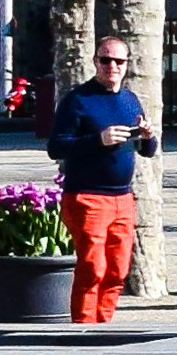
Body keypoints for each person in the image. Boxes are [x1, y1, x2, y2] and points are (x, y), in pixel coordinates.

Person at [49, 35, 151, 324]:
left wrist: (147, 136)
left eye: (119, 61)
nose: (112, 66)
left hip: (123, 198)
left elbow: (147, 150)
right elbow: (56, 147)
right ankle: (83, 329)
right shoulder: (77, 99)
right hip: (87, 195)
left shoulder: (131, 100)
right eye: (105, 60)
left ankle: (103, 325)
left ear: (127, 64)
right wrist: (98, 140)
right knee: (92, 266)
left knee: (118, 270)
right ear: (95, 62)